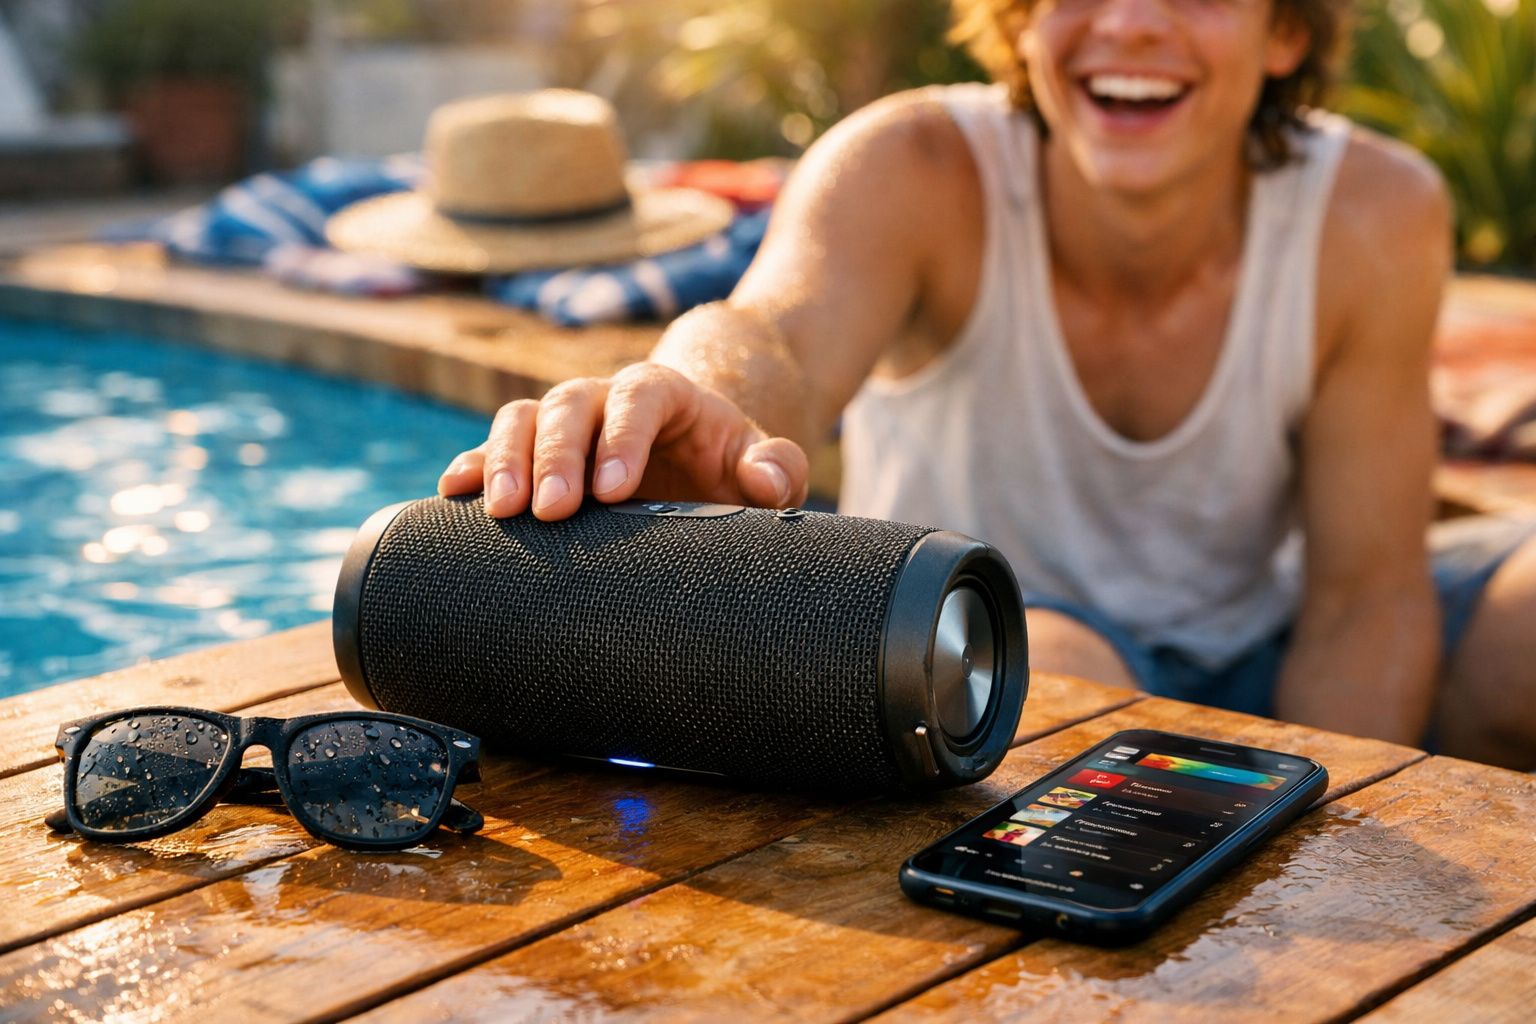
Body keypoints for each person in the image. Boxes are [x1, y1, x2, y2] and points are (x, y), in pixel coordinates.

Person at [438, 0, 1536, 770]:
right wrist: (693, 394)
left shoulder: (1374, 209)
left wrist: (1330, 827)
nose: (1134, 20)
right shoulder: (913, 167)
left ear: (1285, 29)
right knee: (1062, 668)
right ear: (1022, 18)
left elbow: (1366, 595)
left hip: (1269, 634)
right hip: (988, 663)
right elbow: (770, 334)